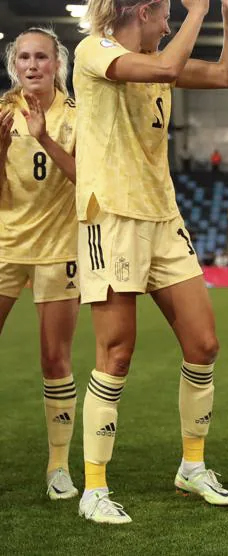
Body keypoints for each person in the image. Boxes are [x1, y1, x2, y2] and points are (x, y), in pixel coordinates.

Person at [72, 0, 228, 523]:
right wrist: (199, 10)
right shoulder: (93, 51)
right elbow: (170, 66)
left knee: (204, 343)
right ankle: (94, 490)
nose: (170, 24)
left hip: (162, 216)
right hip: (113, 216)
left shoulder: (157, 59)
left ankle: (191, 466)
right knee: (116, 354)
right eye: (166, 14)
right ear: (142, 10)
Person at [0, 27, 80, 501]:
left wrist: (45, 138)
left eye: (42, 58)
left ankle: (58, 467)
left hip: (58, 249)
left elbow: (87, 178)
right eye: (24, 58)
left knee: (55, 358)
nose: (33, 66)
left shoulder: (76, 115)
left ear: (57, 65)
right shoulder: (1, 113)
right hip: (5, 246)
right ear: (14, 65)